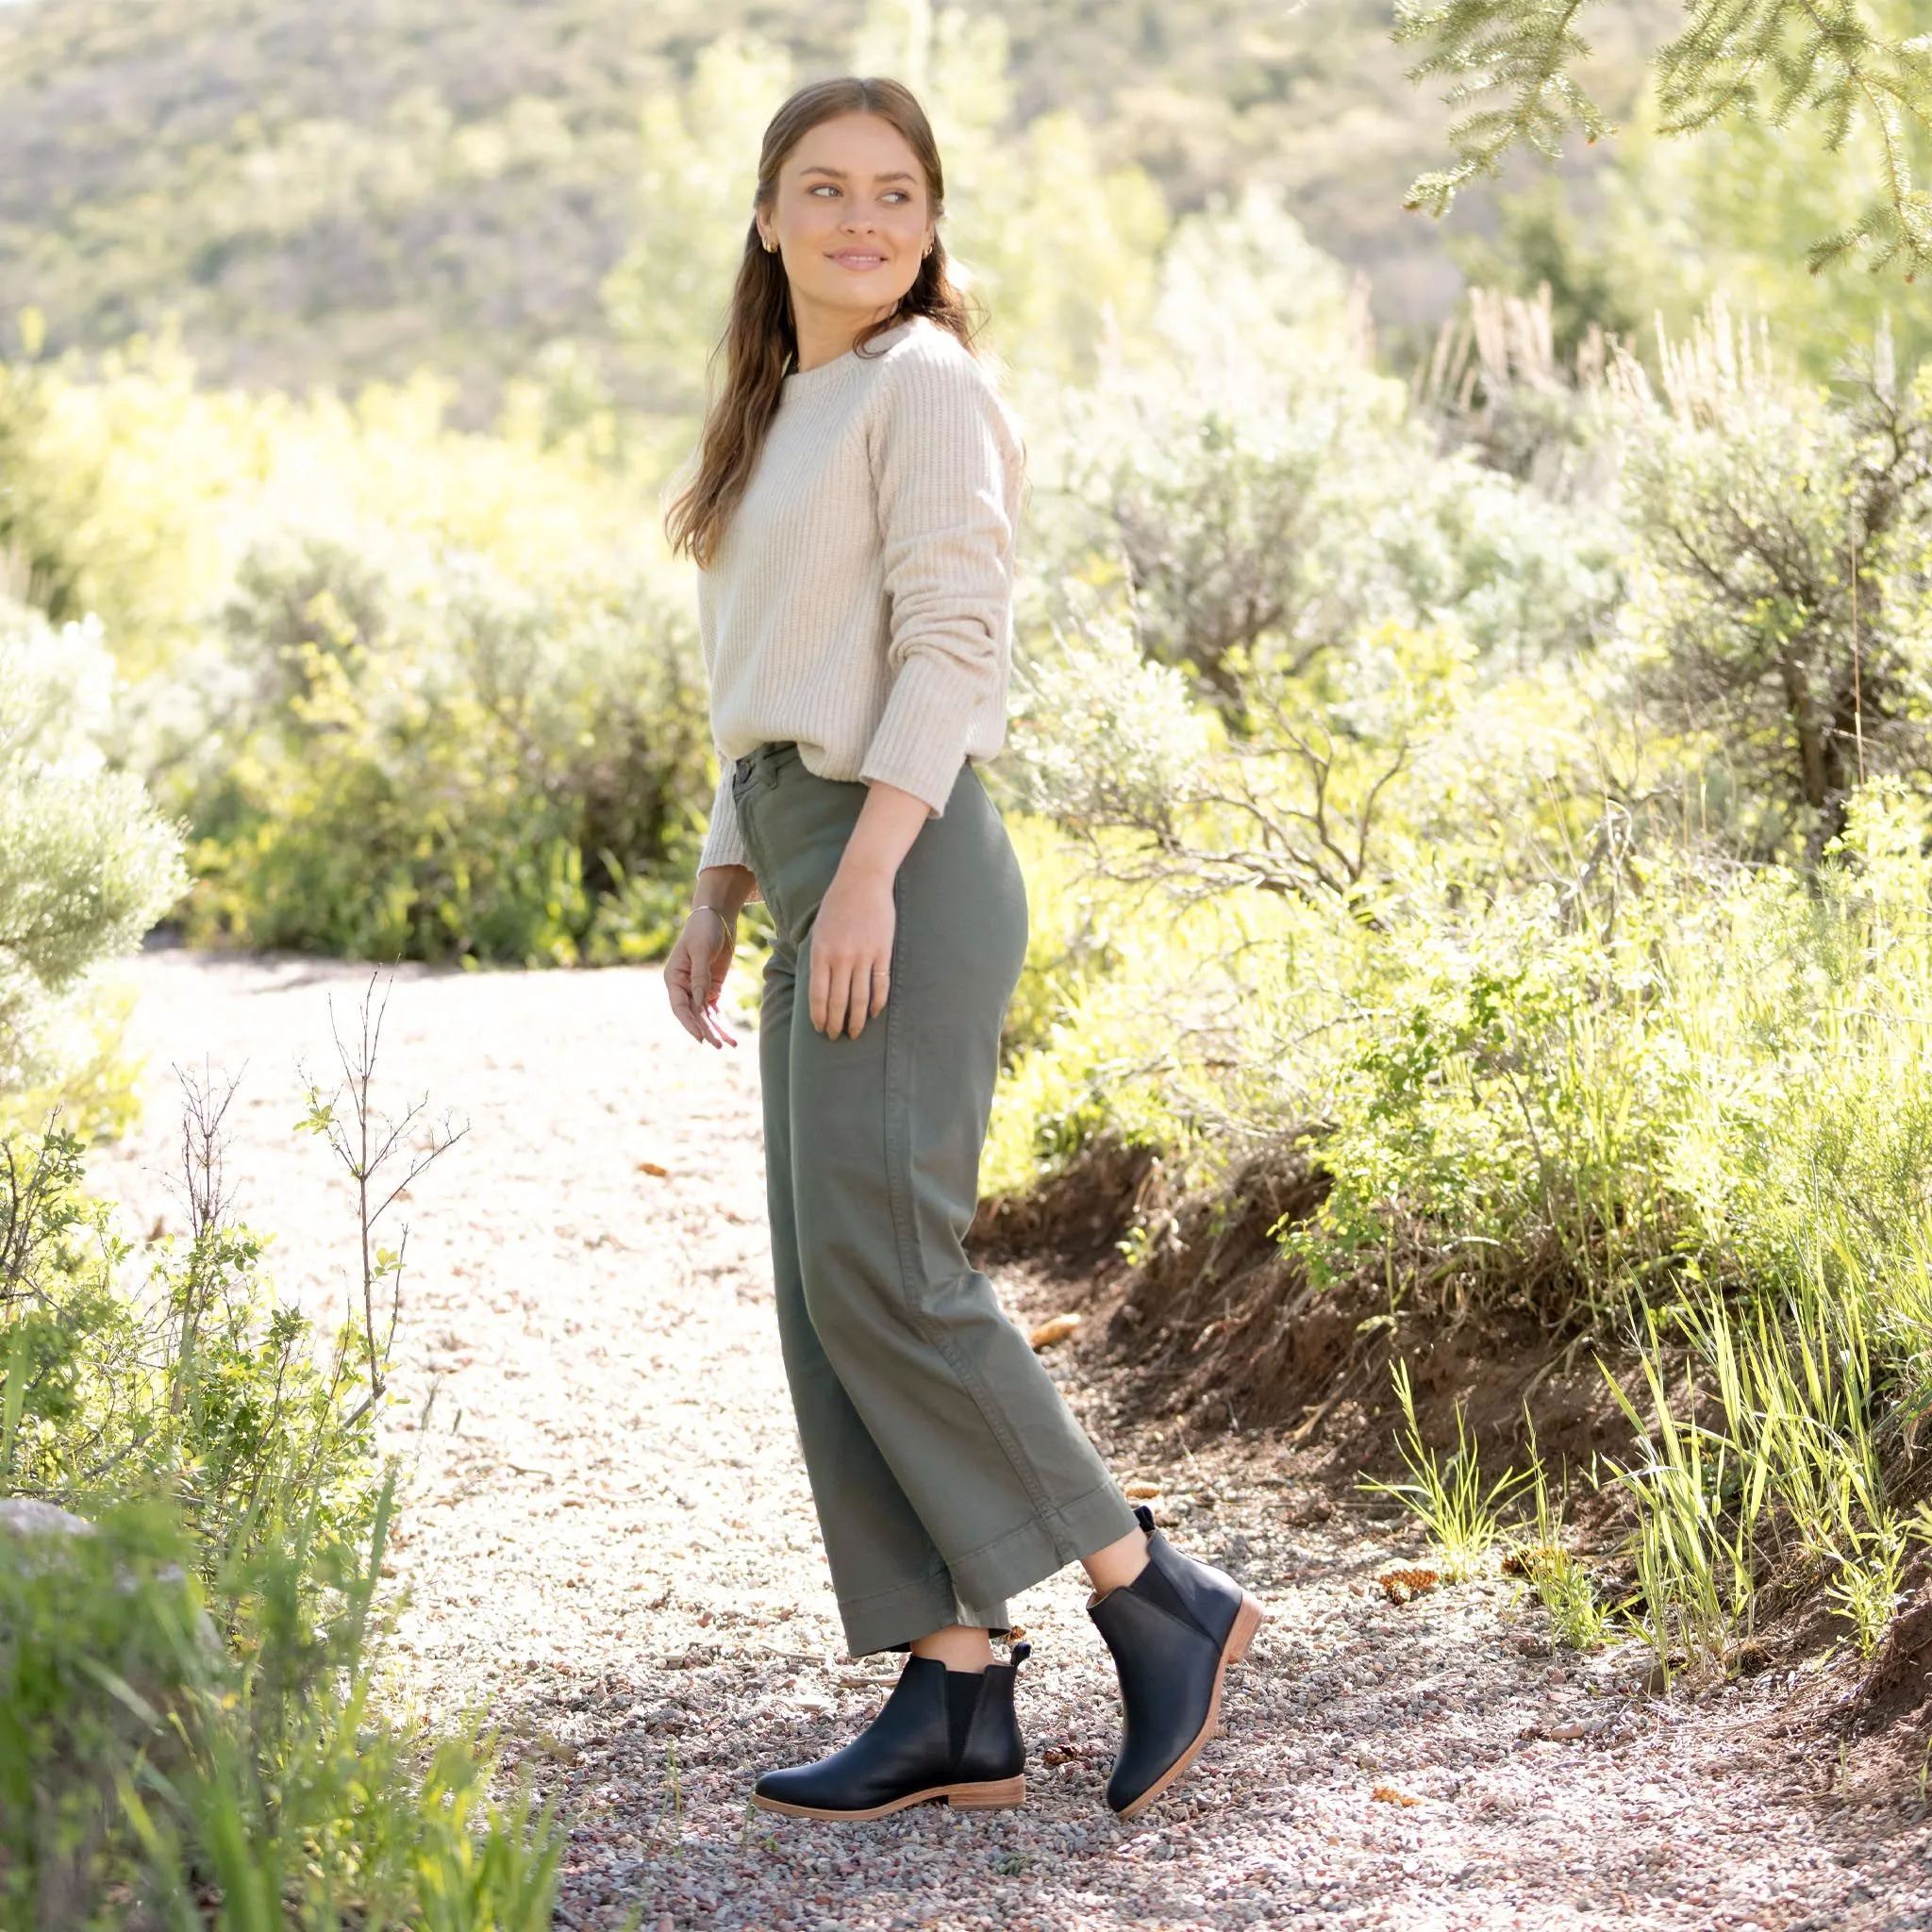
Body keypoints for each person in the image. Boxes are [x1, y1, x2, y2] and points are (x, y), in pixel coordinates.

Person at [660, 73, 1261, 1825]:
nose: (863, 220)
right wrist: (721, 876)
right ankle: (950, 1690)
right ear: (766, 216)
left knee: (895, 1270)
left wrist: (864, 879)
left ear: (932, 226)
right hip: (809, 839)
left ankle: (1150, 1588)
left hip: (900, 854)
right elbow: (769, 678)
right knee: (826, 1280)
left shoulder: (925, 383)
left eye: (898, 194)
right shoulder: (782, 412)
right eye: (827, 190)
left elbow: (956, 644)